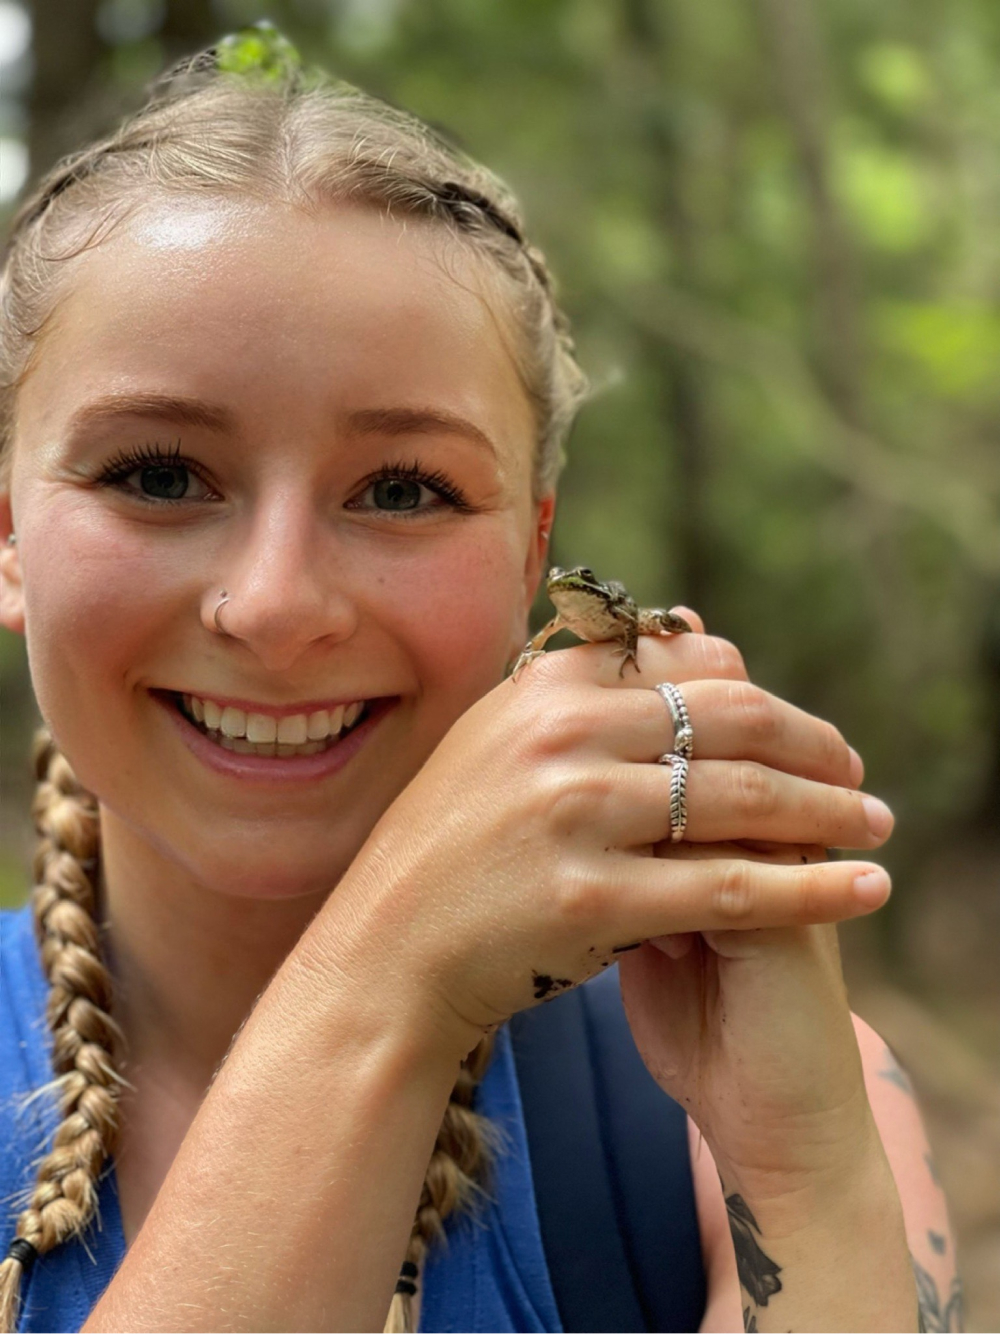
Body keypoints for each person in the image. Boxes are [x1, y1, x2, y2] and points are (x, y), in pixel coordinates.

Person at [0, 29, 959, 1334]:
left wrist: (809, 1173)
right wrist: (395, 966)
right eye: (157, 474)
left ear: (532, 558)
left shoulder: (722, 1118)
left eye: (403, 489)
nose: (276, 605)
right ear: (8, 533)